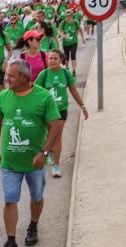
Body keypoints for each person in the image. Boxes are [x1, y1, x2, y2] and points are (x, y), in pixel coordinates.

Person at [0, 59, 65, 247]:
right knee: (9, 200)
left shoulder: (43, 97)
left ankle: (33, 225)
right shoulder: (3, 97)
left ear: (24, 78)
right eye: (7, 75)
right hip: (10, 162)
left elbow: (56, 126)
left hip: (35, 162)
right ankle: (11, 242)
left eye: (11, 76)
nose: (6, 79)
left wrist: (44, 152)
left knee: (37, 196)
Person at [35, 49, 88, 178]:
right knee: (48, 136)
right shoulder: (44, 75)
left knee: (57, 136)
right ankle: (50, 152)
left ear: (61, 60)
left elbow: (74, 91)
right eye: (50, 58)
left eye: (55, 58)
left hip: (61, 110)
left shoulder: (66, 73)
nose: (52, 61)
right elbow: (35, 93)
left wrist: (83, 106)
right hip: (46, 111)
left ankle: (56, 165)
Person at [59, 10, 85, 74]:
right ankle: (67, 68)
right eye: (67, 16)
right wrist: (63, 35)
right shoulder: (63, 22)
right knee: (66, 56)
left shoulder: (75, 22)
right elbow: (59, 31)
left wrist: (82, 38)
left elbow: (80, 29)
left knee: (73, 55)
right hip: (65, 42)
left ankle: (74, 70)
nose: (68, 17)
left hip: (74, 41)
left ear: (72, 15)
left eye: (69, 15)